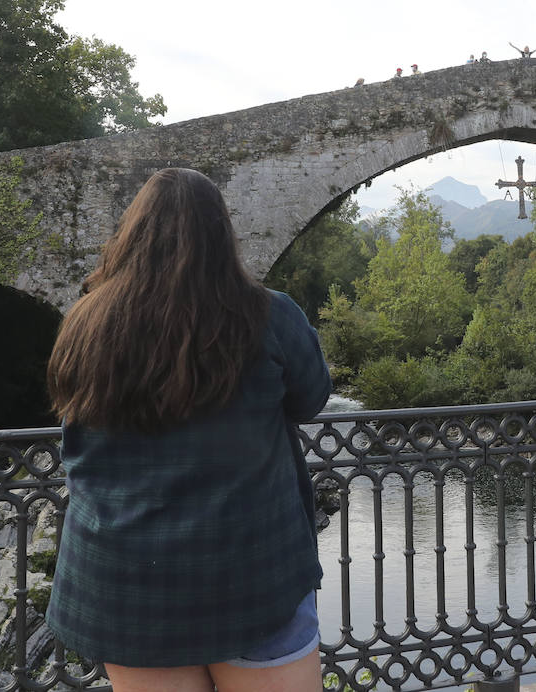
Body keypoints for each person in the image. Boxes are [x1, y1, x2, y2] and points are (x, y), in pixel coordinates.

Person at [46, 168, 333, 692]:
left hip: (126, 586)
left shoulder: (84, 322)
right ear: (222, 234)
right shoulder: (270, 316)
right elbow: (311, 398)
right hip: (250, 572)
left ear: (131, 233)